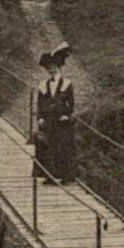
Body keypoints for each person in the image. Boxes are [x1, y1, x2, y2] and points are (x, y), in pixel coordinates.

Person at [35, 43, 77, 182]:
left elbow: (70, 103)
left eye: (54, 67)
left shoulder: (67, 84)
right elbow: (40, 103)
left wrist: (67, 114)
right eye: (49, 68)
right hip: (48, 121)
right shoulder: (43, 85)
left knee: (62, 148)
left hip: (61, 121)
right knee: (47, 148)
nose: (51, 70)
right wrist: (40, 118)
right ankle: (49, 176)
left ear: (59, 67)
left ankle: (65, 176)